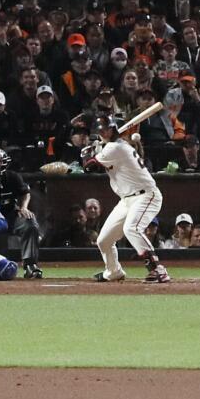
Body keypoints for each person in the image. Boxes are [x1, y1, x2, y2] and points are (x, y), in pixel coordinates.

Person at [83, 111, 169, 283]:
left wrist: (87, 153)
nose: (104, 132)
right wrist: (97, 149)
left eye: (107, 129)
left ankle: (157, 269)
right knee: (104, 240)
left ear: (114, 128)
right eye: (101, 130)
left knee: (132, 228)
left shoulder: (115, 147)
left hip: (146, 195)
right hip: (127, 199)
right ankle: (113, 271)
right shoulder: (114, 146)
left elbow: (89, 167)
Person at [0, 144, 42, 278]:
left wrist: (24, 207)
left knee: (30, 222)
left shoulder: (12, 177)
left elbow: (25, 192)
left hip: (10, 215)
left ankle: (30, 265)